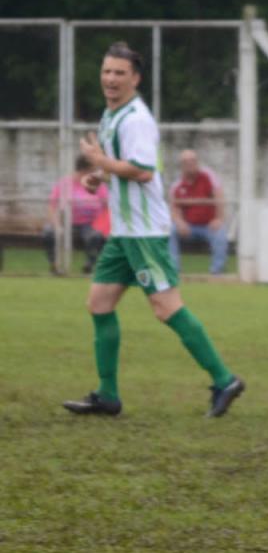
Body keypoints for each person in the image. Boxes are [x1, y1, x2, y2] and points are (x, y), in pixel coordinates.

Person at [62, 42, 245, 418]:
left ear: (135, 78)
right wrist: (99, 174)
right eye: (107, 71)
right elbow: (125, 165)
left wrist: (100, 161)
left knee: (165, 308)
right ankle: (108, 396)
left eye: (119, 73)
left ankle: (224, 379)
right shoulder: (110, 115)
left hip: (144, 231)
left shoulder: (136, 119)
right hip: (125, 232)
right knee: (99, 303)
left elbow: (143, 170)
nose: (111, 79)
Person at [43, 154, 108, 274]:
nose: (97, 173)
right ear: (85, 170)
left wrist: (101, 224)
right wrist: (57, 225)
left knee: (95, 236)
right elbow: (52, 207)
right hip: (67, 221)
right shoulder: (64, 183)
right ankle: (54, 265)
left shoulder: (98, 184)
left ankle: (88, 266)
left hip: (90, 224)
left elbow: (107, 207)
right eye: (93, 170)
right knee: (49, 232)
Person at [169, 150, 229, 274]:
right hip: (188, 227)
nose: (190, 164)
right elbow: (173, 209)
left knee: (220, 233)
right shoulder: (177, 185)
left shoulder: (209, 176)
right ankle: (175, 272)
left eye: (193, 160)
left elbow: (220, 197)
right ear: (181, 165)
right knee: (170, 231)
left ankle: (217, 272)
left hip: (209, 226)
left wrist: (219, 218)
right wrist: (179, 222)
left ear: (197, 162)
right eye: (186, 162)